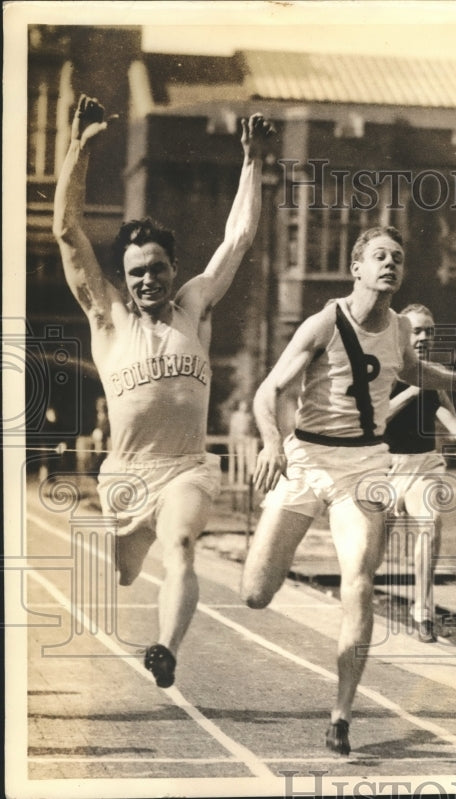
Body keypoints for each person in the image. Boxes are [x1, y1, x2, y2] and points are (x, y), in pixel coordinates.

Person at [240, 226, 456, 756]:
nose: (390, 264)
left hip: (363, 466)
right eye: (379, 256)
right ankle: (275, 584)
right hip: (306, 458)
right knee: (255, 594)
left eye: (398, 258)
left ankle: (341, 715)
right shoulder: (324, 324)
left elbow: (414, 372)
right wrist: (271, 443)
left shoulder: (402, 327)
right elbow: (268, 390)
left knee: (359, 582)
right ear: (357, 268)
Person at [52, 93, 274, 689]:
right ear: (124, 280)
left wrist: (252, 161)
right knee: (125, 574)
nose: (148, 279)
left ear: (173, 269)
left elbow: (238, 238)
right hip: (125, 477)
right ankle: (134, 553)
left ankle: (166, 650)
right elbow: (67, 233)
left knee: (180, 544)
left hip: (185, 469)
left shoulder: (195, 310)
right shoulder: (109, 319)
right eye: (136, 273)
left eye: (157, 268)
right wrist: (79, 149)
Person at [383, 303, 456, 643]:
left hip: (424, 464)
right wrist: (413, 389)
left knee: (431, 524)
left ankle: (423, 611)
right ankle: (358, 604)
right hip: (385, 467)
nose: (425, 337)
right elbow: (379, 417)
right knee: (370, 548)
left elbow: (443, 408)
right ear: (403, 334)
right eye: (418, 331)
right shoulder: (384, 369)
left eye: (430, 332)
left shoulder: (433, 371)